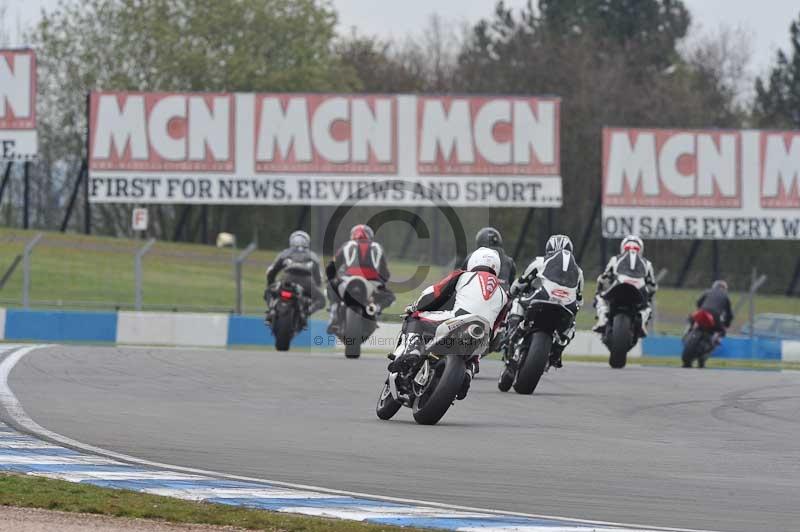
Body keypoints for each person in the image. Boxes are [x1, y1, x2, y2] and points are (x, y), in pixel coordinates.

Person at [389, 247, 510, 398]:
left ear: (474, 261)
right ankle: (468, 372)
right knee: (475, 355)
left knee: (416, 317)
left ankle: (412, 350)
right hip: (482, 333)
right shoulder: (504, 294)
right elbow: (498, 325)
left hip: (457, 319)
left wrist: (415, 306)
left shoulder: (464, 275)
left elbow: (435, 292)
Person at [506, 234, 584, 368]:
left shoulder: (540, 261)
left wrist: (511, 294)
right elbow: (579, 300)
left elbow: (520, 283)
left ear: (548, 248)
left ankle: (513, 332)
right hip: (567, 306)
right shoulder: (578, 271)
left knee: (517, 302)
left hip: (542, 298)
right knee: (571, 326)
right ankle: (557, 352)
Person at [327, 224, 395, 334]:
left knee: (330, 286)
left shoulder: (347, 245)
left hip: (347, 279)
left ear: (353, 235)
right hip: (372, 282)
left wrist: (331, 278)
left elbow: (332, 265)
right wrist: (381, 284)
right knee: (390, 297)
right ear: (370, 236)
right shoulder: (377, 247)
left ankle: (334, 311)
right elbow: (385, 273)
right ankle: (376, 309)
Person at [592, 235, 657, 336]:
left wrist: (600, 291)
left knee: (600, 298)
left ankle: (602, 320)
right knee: (647, 306)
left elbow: (604, 278)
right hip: (638, 290)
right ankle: (642, 324)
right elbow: (652, 285)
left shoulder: (615, 259)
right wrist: (648, 295)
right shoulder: (647, 263)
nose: (631, 250)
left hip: (619, 286)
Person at [265, 230, 326, 318]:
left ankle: (271, 310)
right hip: (306, 281)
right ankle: (306, 312)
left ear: (291, 241)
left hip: (287, 278)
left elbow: (272, 270)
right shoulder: (313, 255)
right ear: (307, 243)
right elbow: (319, 278)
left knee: (269, 292)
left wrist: (271, 284)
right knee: (321, 300)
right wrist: (316, 286)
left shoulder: (285, 253)